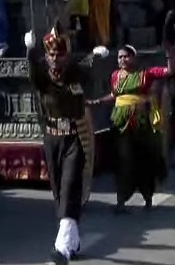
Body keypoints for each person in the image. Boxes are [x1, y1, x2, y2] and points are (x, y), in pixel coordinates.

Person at [24, 24, 110, 265]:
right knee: (59, 192)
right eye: (51, 54)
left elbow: (88, 64)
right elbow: (32, 70)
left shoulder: (76, 72)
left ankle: (62, 247)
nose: (55, 60)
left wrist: (97, 55)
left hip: (74, 137)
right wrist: (30, 50)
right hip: (52, 139)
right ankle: (73, 241)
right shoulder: (42, 76)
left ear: (67, 56)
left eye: (59, 55)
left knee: (71, 185)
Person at [90, 43, 175, 212]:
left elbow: (169, 71)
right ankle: (121, 201)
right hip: (121, 123)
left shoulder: (146, 74)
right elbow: (115, 95)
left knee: (144, 158)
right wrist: (98, 101)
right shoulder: (115, 76)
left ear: (134, 58)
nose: (122, 59)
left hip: (141, 123)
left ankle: (148, 198)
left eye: (126, 56)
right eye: (120, 57)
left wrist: (170, 55)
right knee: (123, 161)